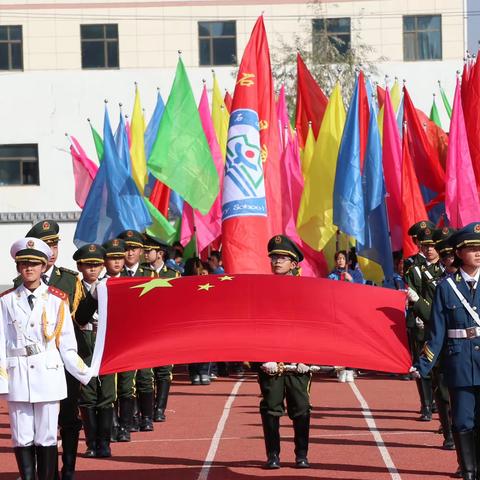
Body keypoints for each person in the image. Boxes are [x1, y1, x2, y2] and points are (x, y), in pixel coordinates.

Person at [0, 237, 92, 480]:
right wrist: (2, 382)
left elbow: (67, 343)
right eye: (24, 264)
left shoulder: (56, 298)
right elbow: (0, 343)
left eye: (34, 264)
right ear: (18, 267)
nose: (29, 269)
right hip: (17, 372)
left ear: (43, 267)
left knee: (47, 435)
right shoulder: (7, 300)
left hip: (48, 372)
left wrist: (85, 372)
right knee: (21, 435)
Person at [413, 223, 480, 480]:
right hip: (459, 362)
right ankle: (468, 471)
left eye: (479, 248)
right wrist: (423, 364)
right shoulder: (446, 287)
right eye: (471, 249)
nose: (477, 253)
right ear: (459, 253)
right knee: (463, 421)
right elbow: (437, 332)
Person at [24, 219, 85, 479]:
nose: (51, 250)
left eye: (54, 245)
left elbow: (80, 320)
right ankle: (44, 471)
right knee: (39, 423)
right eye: (46, 245)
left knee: (69, 418)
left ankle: (68, 468)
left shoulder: (70, 280)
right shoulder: (22, 282)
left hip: (64, 362)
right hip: (36, 365)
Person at [257, 234, 311, 470]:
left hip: (298, 360)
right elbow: (255, 327)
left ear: (294, 263)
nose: (277, 261)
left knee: (301, 409)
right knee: (271, 409)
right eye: (274, 258)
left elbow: (313, 326)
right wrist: (261, 358)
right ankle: (273, 455)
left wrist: (308, 358)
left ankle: (301, 454)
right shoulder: (262, 290)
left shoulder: (306, 290)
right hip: (271, 360)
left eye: (282, 258)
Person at [406, 227, 454, 448]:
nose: (433, 251)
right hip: (429, 330)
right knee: (439, 384)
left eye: (438, 247)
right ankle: (444, 425)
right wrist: (417, 304)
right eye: (428, 246)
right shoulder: (415, 269)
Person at [73, 244, 116, 459]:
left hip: (105, 338)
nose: (93, 269)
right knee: (88, 393)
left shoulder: (110, 285)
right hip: (84, 339)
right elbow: (77, 317)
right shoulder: (75, 287)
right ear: (80, 266)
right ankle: (91, 443)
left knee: (106, 394)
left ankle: (105, 443)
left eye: (97, 265)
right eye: (88, 265)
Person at [116, 230, 156, 440]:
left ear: (141, 251)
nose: (129, 252)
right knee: (124, 380)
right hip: (123, 335)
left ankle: (147, 416)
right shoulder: (116, 275)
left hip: (145, 334)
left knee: (145, 377)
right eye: (126, 248)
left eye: (133, 248)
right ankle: (126, 422)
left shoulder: (149, 275)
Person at [142, 234, 177, 422]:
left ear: (160, 253)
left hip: (165, 330)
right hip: (146, 330)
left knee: (164, 370)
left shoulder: (173, 275)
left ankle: (159, 408)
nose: (145, 254)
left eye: (149, 251)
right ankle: (146, 409)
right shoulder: (141, 273)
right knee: (145, 372)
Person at [328, 250, 364, 382]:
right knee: (340, 340)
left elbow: (362, 289)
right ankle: (341, 368)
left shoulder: (355, 273)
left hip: (352, 312)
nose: (340, 261)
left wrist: (351, 280)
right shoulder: (332, 275)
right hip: (338, 312)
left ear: (348, 261)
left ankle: (351, 368)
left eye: (343, 258)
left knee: (352, 340)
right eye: (338, 258)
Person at [183, 257, 212, 385]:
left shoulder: (208, 283)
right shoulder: (184, 282)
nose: (199, 271)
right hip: (190, 319)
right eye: (196, 268)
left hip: (205, 318)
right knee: (192, 347)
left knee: (205, 345)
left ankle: (204, 371)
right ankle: (194, 372)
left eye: (200, 268)